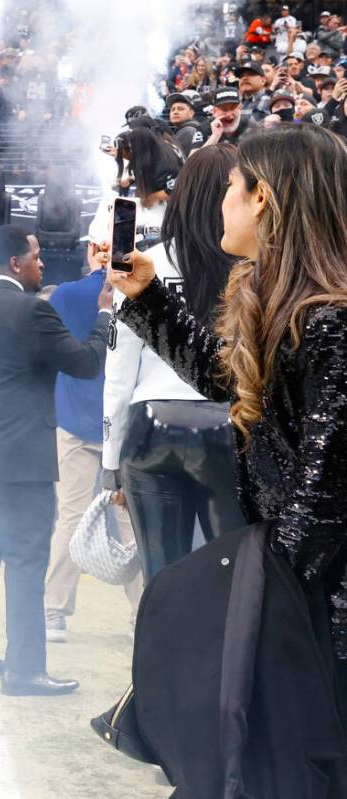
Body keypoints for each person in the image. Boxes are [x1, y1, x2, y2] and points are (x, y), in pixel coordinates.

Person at [105, 122, 347, 794]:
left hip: (320, 615)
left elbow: (320, 501)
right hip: (304, 600)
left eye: (229, 189)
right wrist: (147, 296)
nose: (217, 201)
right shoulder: (296, 307)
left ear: (262, 198)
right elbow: (229, 382)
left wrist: (265, 623)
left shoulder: (330, 321)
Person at [0, 224, 111, 696]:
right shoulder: (32, 313)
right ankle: (24, 669)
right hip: (21, 464)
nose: (43, 264)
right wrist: (103, 318)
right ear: (16, 263)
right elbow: (85, 364)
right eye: (36, 257)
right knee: (25, 562)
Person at [103, 144, 248, 581]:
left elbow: (119, 368)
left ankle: (161, 648)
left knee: (161, 581)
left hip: (150, 428)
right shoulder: (253, 266)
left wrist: (110, 463)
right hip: (227, 426)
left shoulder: (146, 262)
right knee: (233, 582)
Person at [42, 219, 143, 644]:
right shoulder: (141, 295)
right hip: (124, 429)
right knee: (133, 525)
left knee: (70, 516)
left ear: (91, 249)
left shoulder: (66, 295)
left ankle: (53, 611)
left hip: (74, 422)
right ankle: (145, 616)